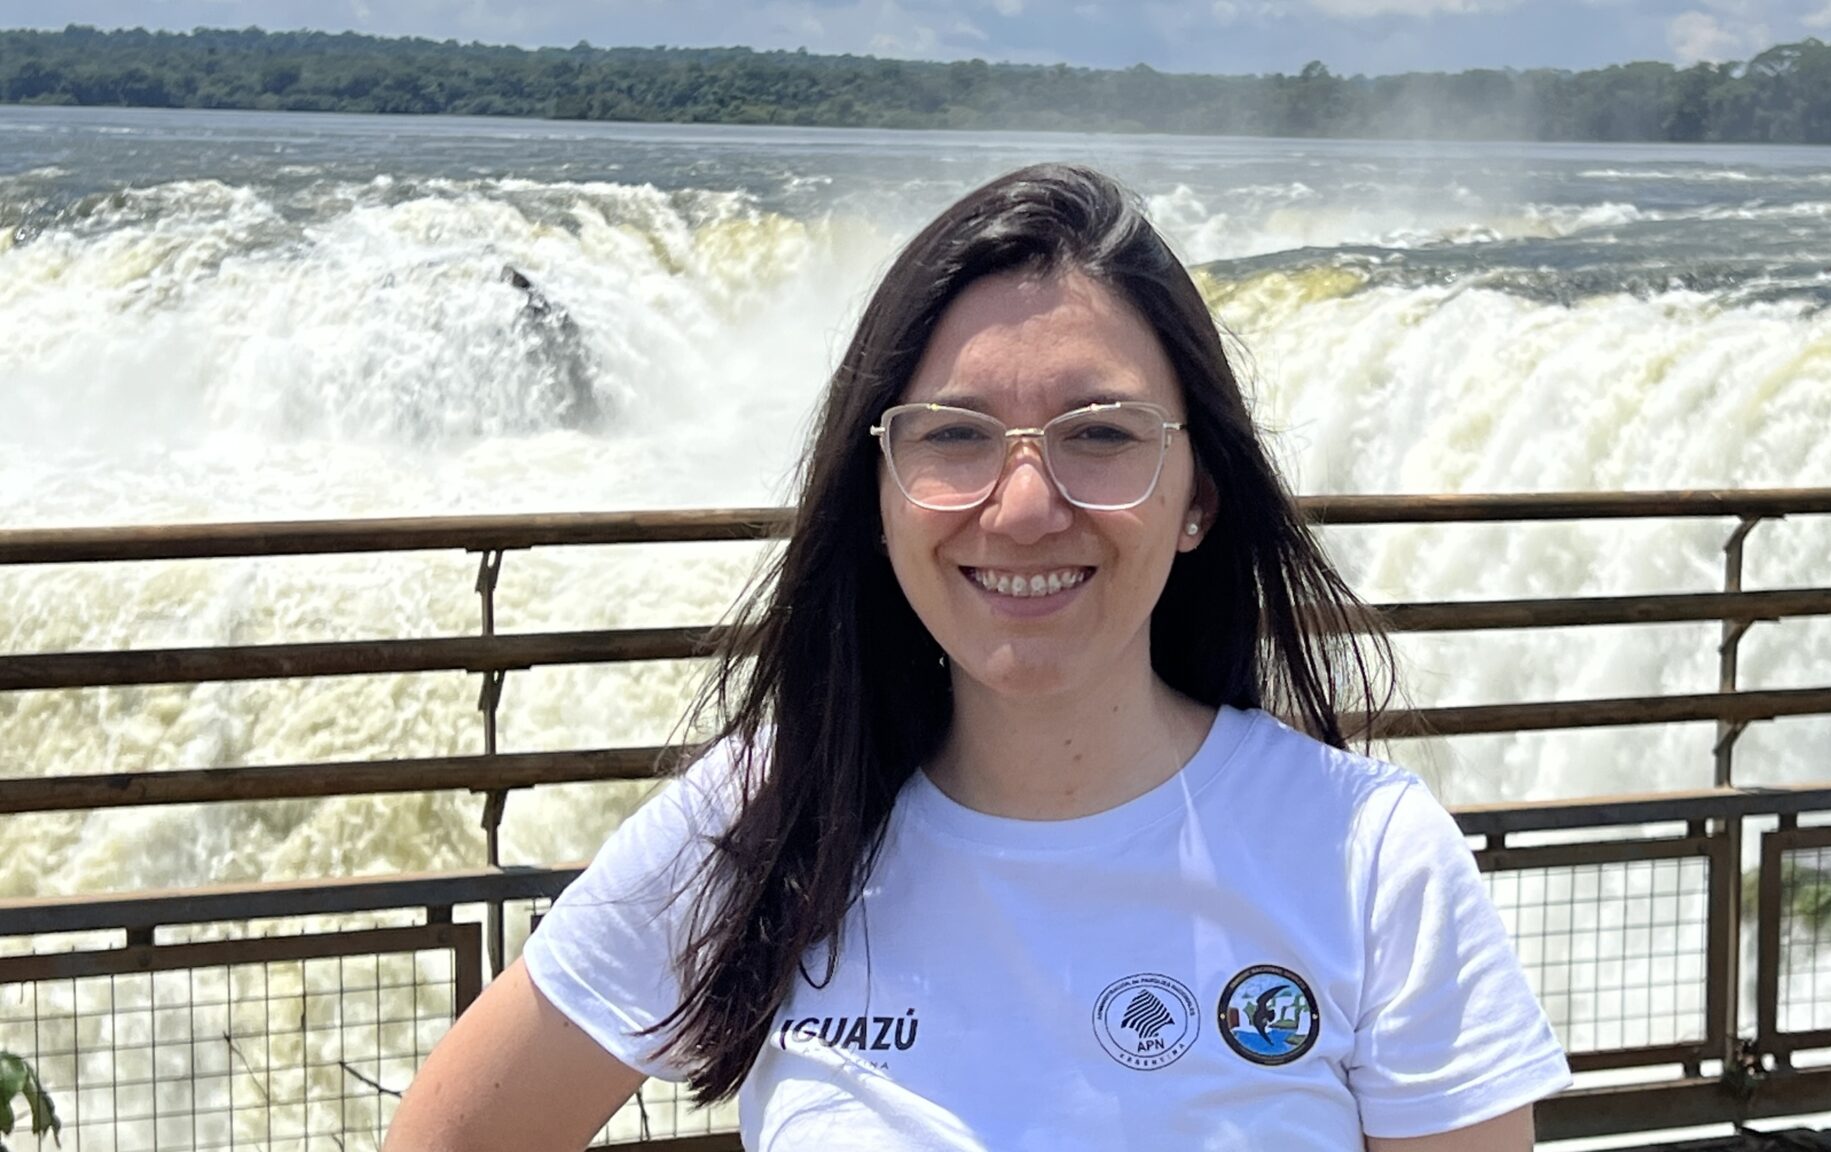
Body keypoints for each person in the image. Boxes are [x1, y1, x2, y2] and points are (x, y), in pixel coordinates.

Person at [384, 164, 1571, 1151]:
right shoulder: (763, 820)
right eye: (952, 435)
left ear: (1196, 495)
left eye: (1099, 435)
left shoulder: (1366, 861)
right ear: (882, 491)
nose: (1020, 507)